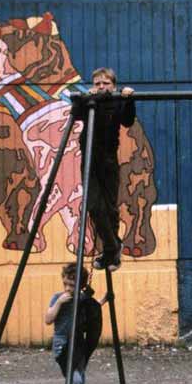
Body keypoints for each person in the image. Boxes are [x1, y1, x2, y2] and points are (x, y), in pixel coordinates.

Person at [70, 67, 136, 272]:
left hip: (108, 159)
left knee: (110, 207)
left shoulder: (116, 100)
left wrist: (129, 99)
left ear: (113, 85)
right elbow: (76, 114)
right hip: (90, 158)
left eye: (105, 83)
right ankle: (112, 247)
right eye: (97, 83)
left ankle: (111, 254)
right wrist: (83, 99)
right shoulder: (91, 101)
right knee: (94, 206)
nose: (101, 87)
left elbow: (127, 120)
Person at [44, 262, 107, 384]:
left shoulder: (81, 299)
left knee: (80, 379)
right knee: (75, 380)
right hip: (63, 344)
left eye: (72, 285)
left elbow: (91, 310)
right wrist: (58, 303)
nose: (67, 288)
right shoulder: (58, 297)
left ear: (81, 285)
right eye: (65, 284)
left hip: (78, 343)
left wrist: (103, 300)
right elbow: (48, 319)